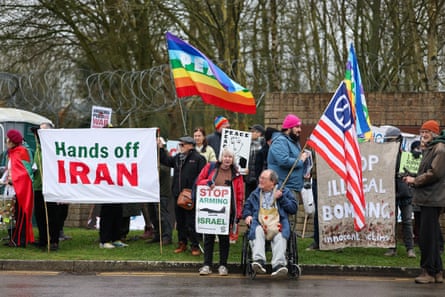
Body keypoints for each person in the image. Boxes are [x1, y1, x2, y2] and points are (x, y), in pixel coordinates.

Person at [403, 120, 445, 284]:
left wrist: (415, 180)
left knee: (427, 237)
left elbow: (434, 173)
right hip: (427, 198)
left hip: (431, 198)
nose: (423, 135)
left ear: (434, 133)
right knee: (431, 236)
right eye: (421, 132)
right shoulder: (432, 148)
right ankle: (437, 272)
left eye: (427, 132)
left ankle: (427, 271)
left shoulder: (439, 149)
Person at [196, 148, 244, 276]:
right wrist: (208, 182)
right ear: (221, 157)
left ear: (233, 159)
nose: (227, 159)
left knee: (224, 238)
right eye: (225, 156)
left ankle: (223, 265)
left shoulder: (236, 174)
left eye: (230, 157)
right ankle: (207, 265)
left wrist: (238, 213)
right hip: (209, 209)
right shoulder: (210, 168)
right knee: (209, 238)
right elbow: (199, 181)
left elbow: (239, 195)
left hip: (227, 211)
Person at [242, 169, 298, 277]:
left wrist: (281, 198)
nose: (260, 180)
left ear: (272, 182)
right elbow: (246, 207)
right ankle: (259, 261)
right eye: (260, 178)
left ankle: (279, 265)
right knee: (257, 231)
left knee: (280, 235)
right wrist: (247, 215)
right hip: (260, 223)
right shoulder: (256, 193)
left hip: (277, 223)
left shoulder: (284, 191)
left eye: (264, 179)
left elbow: (293, 208)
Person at [159, 135, 206, 256]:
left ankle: (194, 245)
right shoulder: (178, 158)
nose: (180, 147)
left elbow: (202, 177)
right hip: (177, 194)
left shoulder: (199, 158)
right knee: (180, 222)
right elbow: (166, 160)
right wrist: (161, 149)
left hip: (191, 195)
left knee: (191, 222)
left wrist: (194, 191)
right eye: (180, 145)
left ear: (190, 146)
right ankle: (182, 243)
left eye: (182, 145)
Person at [381, 126, 416, 258]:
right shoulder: (383, 158)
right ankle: (392, 248)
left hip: (405, 193)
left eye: (392, 140)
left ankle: (410, 248)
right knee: (391, 221)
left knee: (407, 221)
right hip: (391, 192)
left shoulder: (407, 156)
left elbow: (412, 173)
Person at [32, 122, 66, 251]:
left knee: (53, 216)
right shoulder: (38, 148)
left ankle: (54, 240)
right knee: (40, 215)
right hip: (38, 186)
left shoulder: (54, 148)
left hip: (52, 186)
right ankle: (43, 240)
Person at [1, 129, 34, 247]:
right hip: (10, 188)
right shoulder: (11, 153)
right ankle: (13, 237)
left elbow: (26, 172)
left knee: (19, 214)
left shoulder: (22, 152)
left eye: (8, 138)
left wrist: (13, 179)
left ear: (12, 140)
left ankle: (20, 239)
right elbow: (10, 169)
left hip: (20, 189)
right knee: (9, 214)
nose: (6, 140)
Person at [267, 114, 309, 199]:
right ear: (289, 128)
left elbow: (294, 161)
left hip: (292, 188)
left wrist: (304, 173)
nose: (299, 130)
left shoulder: (292, 142)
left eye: (300, 127)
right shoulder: (280, 141)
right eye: (297, 127)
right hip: (284, 189)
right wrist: (301, 161)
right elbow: (284, 161)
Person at [147, 163, 173, 245]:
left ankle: (167, 237)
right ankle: (157, 235)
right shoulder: (152, 157)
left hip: (162, 192)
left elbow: (164, 170)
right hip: (152, 192)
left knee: (163, 216)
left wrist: (152, 167)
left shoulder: (164, 156)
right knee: (153, 215)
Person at [244, 124, 265, 197]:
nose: (251, 133)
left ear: (259, 133)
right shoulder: (246, 143)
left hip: (258, 177)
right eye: (251, 131)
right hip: (248, 177)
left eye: (253, 131)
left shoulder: (263, 144)